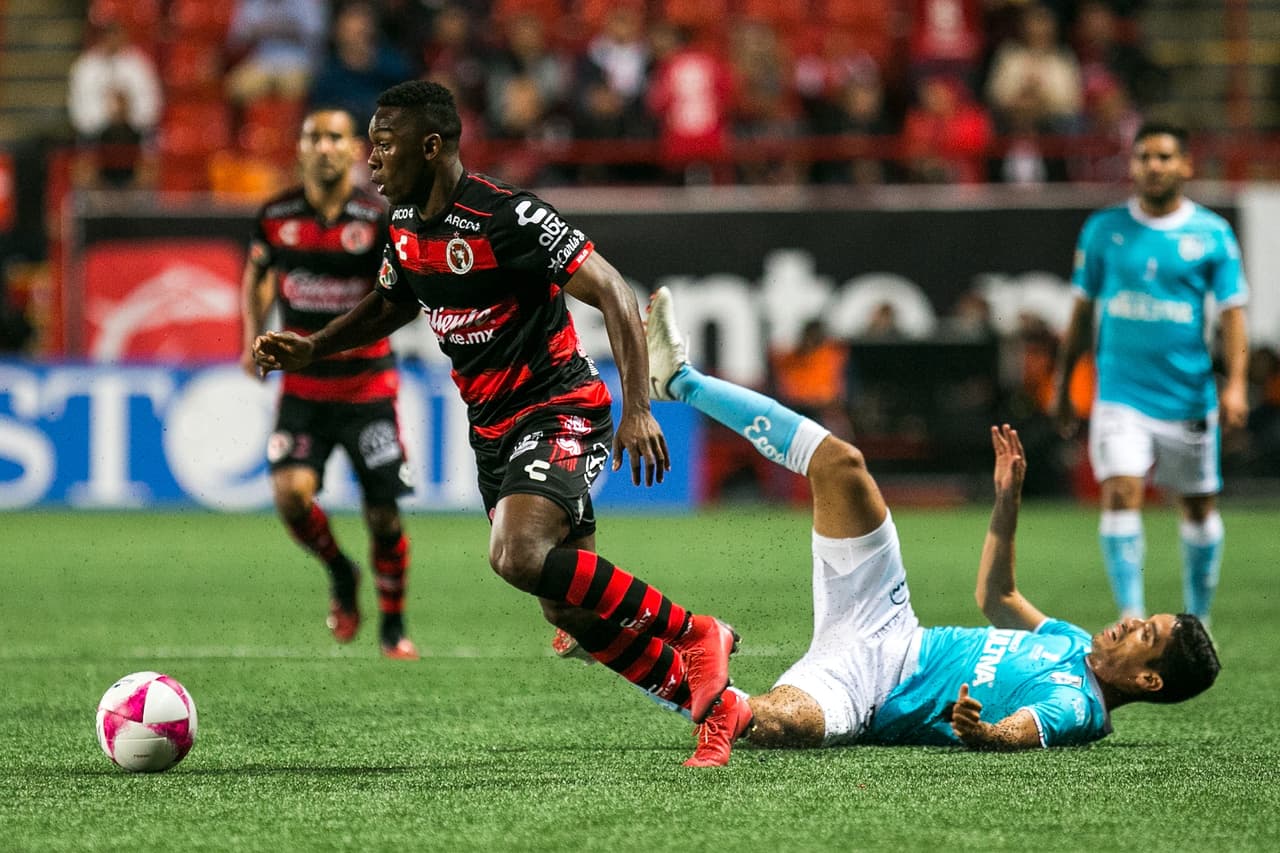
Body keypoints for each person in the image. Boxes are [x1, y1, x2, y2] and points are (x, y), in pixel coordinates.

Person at [253, 81, 737, 735]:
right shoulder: (401, 227)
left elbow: (615, 291)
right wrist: (313, 347)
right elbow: (390, 305)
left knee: (514, 553)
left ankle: (698, 631)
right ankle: (716, 708)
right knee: (570, 612)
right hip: (494, 430)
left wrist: (638, 407)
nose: (371, 159)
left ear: (430, 147)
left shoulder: (507, 217)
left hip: (559, 405)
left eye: (383, 145)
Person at [638, 286, 1219, 767]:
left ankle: (618, 642)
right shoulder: (1069, 642)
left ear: (1148, 683)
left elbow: (1019, 732)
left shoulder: (1075, 707)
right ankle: (681, 381)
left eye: (1148, 635)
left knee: (770, 721)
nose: (1132, 623)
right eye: (1147, 619)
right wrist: (1005, 502)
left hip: (869, 695)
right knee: (843, 464)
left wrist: (982, 732)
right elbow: (998, 596)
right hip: (890, 625)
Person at [1052, 122, 1249, 629]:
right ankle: (1132, 616)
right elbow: (1081, 313)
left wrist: (1236, 383)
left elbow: (1232, 315)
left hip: (1187, 394)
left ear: (1185, 165)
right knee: (1120, 490)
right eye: (1143, 157)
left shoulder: (1211, 234)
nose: (1153, 166)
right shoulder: (1103, 230)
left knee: (1199, 508)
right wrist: (1063, 384)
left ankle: (1198, 619)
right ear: (1132, 166)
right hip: (1120, 392)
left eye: (1164, 157)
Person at [240, 107, 418, 660]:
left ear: (352, 149)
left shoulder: (377, 214)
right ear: (299, 148)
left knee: (383, 514)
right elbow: (260, 272)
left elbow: (396, 293)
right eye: (313, 136)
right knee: (291, 497)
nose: (324, 146)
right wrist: (253, 333)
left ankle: (393, 626)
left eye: (335, 137)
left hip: (367, 388)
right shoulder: (275, 213)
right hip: (304, 391)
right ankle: (342, 573)